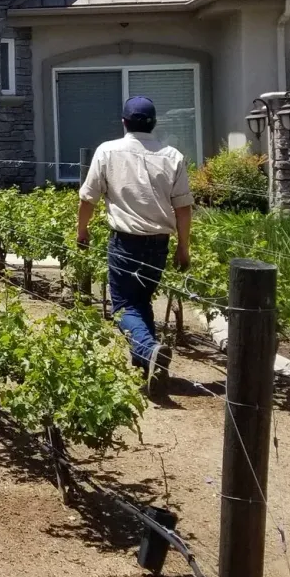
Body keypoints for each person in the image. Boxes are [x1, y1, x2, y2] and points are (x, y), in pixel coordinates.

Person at [75, 96, 192, 391]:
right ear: (154, 123)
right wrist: (183, 247)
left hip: (125, 243)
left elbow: (88, 198)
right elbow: (183, 208)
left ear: (124, 122)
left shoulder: (107, 151)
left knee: (123, 307)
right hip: (159, 244)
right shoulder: (173, 156)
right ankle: (149, 370)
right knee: (141, 303)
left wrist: (82, 231)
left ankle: (148, 351)